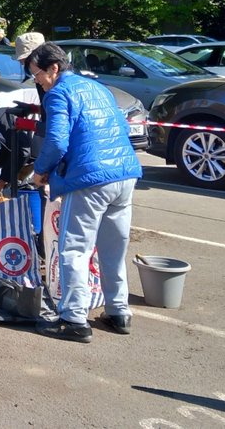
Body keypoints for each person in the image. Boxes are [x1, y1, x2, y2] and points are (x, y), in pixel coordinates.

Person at [25, 43, 142, 342]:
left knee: (74, 248)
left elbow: (56, 141)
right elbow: (121, 128)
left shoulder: (58, 94)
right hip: (125, 173)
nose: (36, 81)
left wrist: (40, 172)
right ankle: (118, 311)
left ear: (54, 68)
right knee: (114, 248)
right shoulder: (98, 88)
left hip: (90, 179)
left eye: (37, 74)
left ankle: (74, 318)